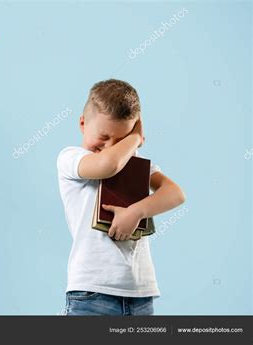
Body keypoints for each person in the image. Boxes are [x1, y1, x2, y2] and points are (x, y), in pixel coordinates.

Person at [57, 79, 185, 315]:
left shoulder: (133, 163)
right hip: (91, 293)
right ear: (82, 124)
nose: (109, 146)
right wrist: (135, 139)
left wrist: (137, 211)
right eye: (103, 137)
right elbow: (109, 165)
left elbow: (176, 194)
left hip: (140, 294)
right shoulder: (71, 159)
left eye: (121, 139)